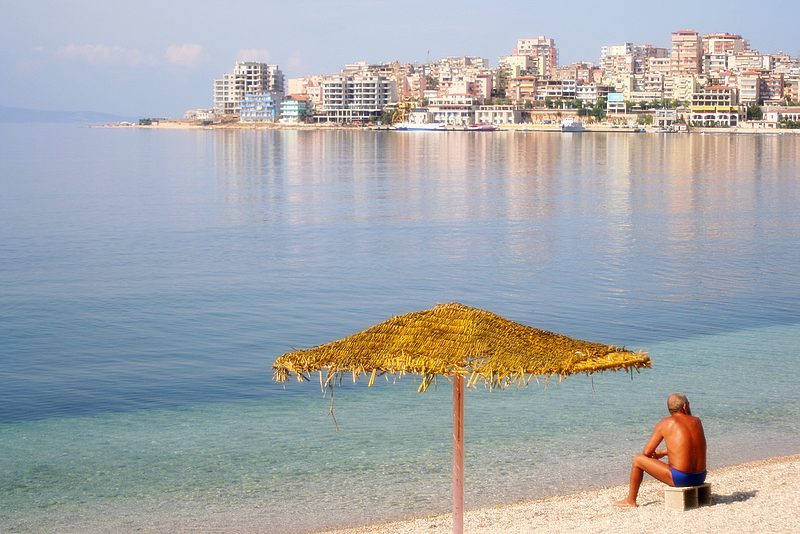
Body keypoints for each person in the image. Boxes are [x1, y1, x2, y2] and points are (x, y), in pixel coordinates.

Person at [615, 393, 707, 507]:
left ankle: (630, 500)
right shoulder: (697, 421)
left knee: (637, 460)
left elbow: (647, 452)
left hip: (681, 479)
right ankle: (670, 491)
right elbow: (689, 448)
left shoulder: (665, 423)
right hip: (700, 477)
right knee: (675, 460)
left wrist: (658, 454)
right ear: (685, 406)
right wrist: (664, 453)